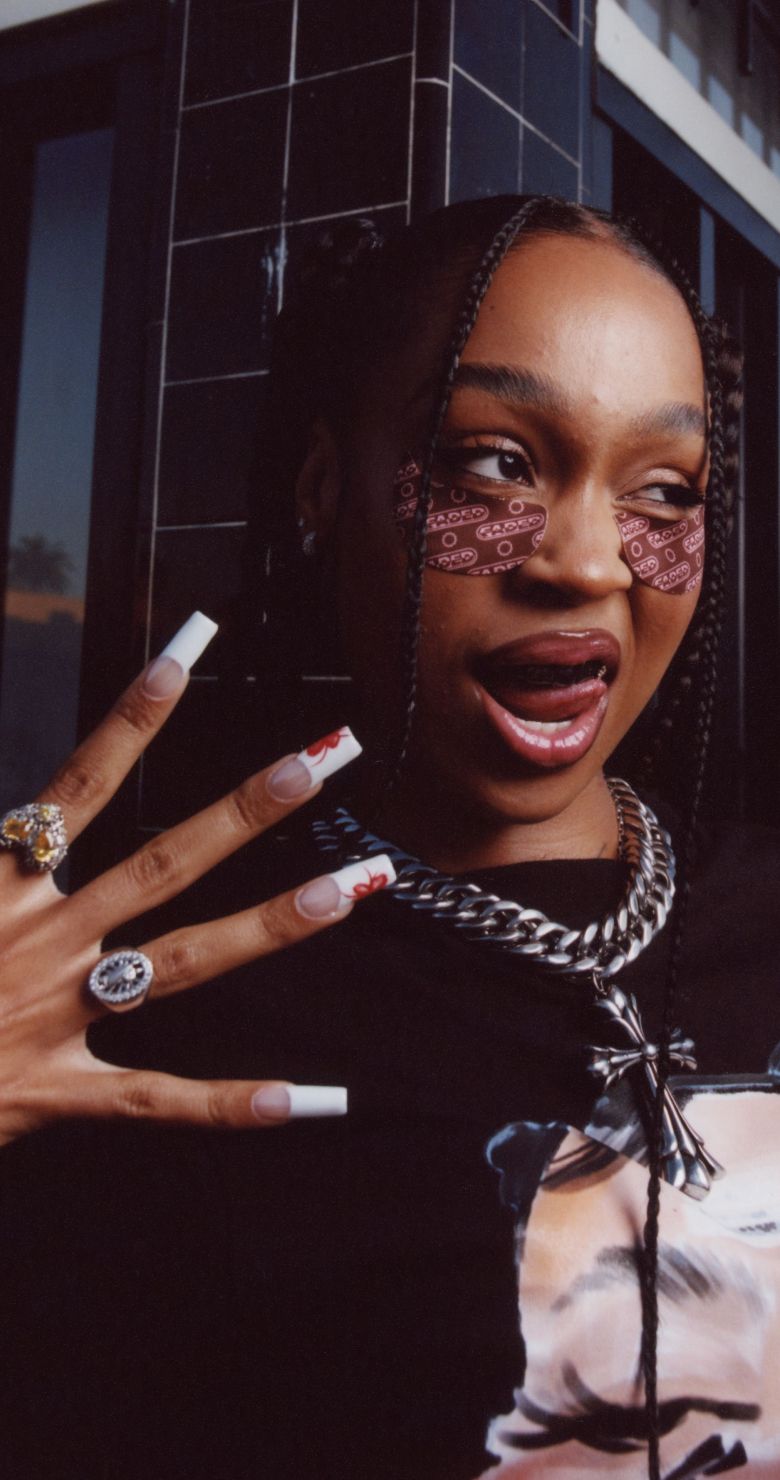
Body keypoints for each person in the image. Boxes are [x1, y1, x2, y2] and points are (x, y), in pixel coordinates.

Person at [0, 194, 776, 1480]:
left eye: (663, 489)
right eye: (496, 462)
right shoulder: (155, 1030)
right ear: (325, 486)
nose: (589, 562)